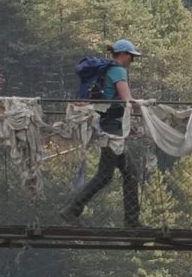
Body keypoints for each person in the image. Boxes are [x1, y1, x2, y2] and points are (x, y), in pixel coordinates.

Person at [62, 38, 144, 228]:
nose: (133, 61)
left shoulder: (107, 70)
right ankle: (72, 210)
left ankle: (74, 209)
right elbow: (127, 100)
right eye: (132, 57)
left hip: (107, 125)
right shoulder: (118, 70)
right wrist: (147, 106)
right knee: (122, 174)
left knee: (117, 174)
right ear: (123, 54)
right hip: (111, 129)